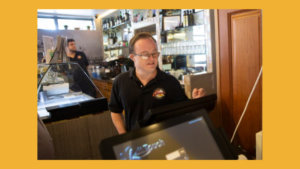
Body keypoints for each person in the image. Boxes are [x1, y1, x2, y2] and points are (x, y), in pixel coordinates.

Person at [109, 32, 205, 134]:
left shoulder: (170, 82)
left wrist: (196, 103)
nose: (152, 59)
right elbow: (115, 111)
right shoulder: (120, 81)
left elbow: (184, 113)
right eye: (145, 54)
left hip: (166, 141)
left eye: (154, 53)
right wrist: (123, 136)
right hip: (135, 142)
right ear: (133, 57)